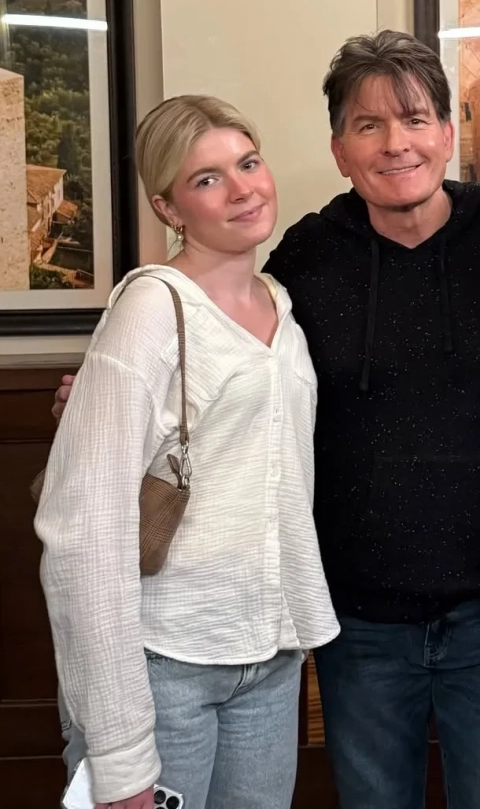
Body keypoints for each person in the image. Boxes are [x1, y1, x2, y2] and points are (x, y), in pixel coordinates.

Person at [53, 30, 480, 809]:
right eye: (368, 125)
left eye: (415, 119)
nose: (395, 143)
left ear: (449, 135)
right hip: (344, 621)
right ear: (340, 150)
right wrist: (102, 400)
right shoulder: (305, 260)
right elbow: (191, 355)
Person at [36, 95, 338, 809]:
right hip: (163, 660)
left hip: (269, 655)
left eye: (248, 163)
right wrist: (119, 751)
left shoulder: (282, 306)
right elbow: (84, 529)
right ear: (168, 207)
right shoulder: (150, 309)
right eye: (207, 179)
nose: (241, 189)